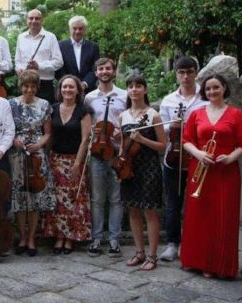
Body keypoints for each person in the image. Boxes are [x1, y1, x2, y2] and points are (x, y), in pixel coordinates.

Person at [181, 74, 242, 279]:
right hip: (200, 168)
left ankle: (219, 265)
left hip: (225, 171)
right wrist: (199, 153)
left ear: (224, 88)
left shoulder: (236, 114)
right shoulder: (196, 114)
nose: (212, 92)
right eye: (208, 89)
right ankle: (196, 261)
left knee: (222, 217)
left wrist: (230, 158)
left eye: (216, 87)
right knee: (198, 216)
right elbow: (186, 140)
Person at [158, 57, 207, 262]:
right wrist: (174, 126)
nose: (185, 76)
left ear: (196, 72)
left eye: (189, 72)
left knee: (198, 202)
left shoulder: (205, 99)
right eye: (181, 72)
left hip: (197, 157)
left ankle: (196, 242)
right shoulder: (169, 100)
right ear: (176, 74)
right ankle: (172, 243)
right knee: (173, 203)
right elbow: (162, 129)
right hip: (174, 156)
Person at [118, 75, 166, 272]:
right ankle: (139, 252)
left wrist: (143, 140)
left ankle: (153, 255)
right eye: (130, 86)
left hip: (149, 168)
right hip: (129, 168)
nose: (134, 89)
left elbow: (163, 146)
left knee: (150, 212)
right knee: (133, 211)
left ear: (145, 90)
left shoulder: (153, 115)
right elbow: (123, 144)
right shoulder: (123, 116)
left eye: (138, 86)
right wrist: (120, 162)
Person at [5, 70, 55, 256]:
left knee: (35, 198)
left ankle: (32, 238)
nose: (29, 89)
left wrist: (39, 144)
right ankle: (22, 236)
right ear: (21, 86)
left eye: (33, 86)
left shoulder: (44, 105)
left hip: (36, 156)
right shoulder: (10, 104)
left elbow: (48, 132)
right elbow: (6, 128)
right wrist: (14, 140)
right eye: (26, 86)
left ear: (37, 87)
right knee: (19, 197)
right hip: (16, 154)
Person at [43, 75, 92, 255]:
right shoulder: (53, 109)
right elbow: (49, 135)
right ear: (60, 89)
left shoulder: (83, 110)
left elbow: (86, 139)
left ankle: (70, 237)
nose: (67, 90)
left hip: (74, 160)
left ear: (78, 90)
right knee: (57, 202)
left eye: (71, 87)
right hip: (56, 160)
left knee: (73, 200)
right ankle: (58, 236)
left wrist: (78, 163)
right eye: (64, 87)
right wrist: (47, 159)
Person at [84, 57, 126, 257]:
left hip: (117, 152)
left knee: (116, 198)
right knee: (98, 198)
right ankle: (97, 237)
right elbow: (87, 124)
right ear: (96, 72)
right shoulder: (89, 97)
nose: (104, 71)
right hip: (97, 153)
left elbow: (131, 119)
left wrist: (122, 132)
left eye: (108, 68)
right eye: (101, 68)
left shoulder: (124, 96)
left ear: (114, 71)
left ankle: (114, 239)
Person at [14, 9, 63, 102]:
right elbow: (17, 61)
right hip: (25, 83)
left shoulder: (50, 37)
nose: (34, 21)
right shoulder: (21, 37)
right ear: (27, 20)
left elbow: (59, 62)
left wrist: (39, 66)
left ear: (42, 20)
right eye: (31, 18)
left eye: (37, 18)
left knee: (45, 114)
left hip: (44, 84)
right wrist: (20, 69)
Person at [57, 15, 100, 93]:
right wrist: (70, 84)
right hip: (67, 90)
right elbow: (59, 69)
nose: (77, 31)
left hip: (88, 90)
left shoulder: (93, 47)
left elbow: (95, 68)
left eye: (80, 29)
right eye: (74, 28)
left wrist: (84, 84)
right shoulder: (60, 46)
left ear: (85, 30)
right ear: (70, 29)